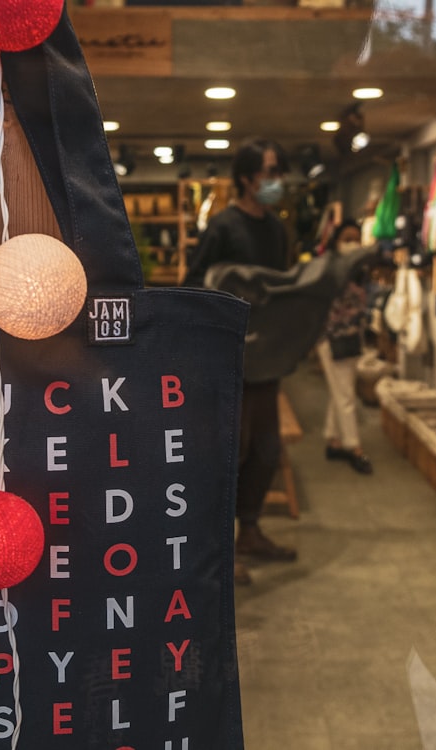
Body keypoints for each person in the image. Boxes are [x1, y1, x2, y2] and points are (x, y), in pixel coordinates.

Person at [186, 137, 297, 585]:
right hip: (230, 357)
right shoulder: (224, 227)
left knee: (267, 448)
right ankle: (217, 547)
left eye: (278, 172)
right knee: (232, 449)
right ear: (248, 178)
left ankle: (249, 531)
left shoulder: (277, 230)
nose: (276, 181)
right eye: (270, 172)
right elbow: (195, 282)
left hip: (267, 356)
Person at [315, 219, 373, 475]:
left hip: (351, 337)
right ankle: (354, 446)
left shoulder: (359, 269)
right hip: (331, 338)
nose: (352, 243)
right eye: (347, 238)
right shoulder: (330, 269)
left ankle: (333, 439)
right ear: (337, 241)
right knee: (346, 394)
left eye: (356, 238)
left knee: (341, 390)